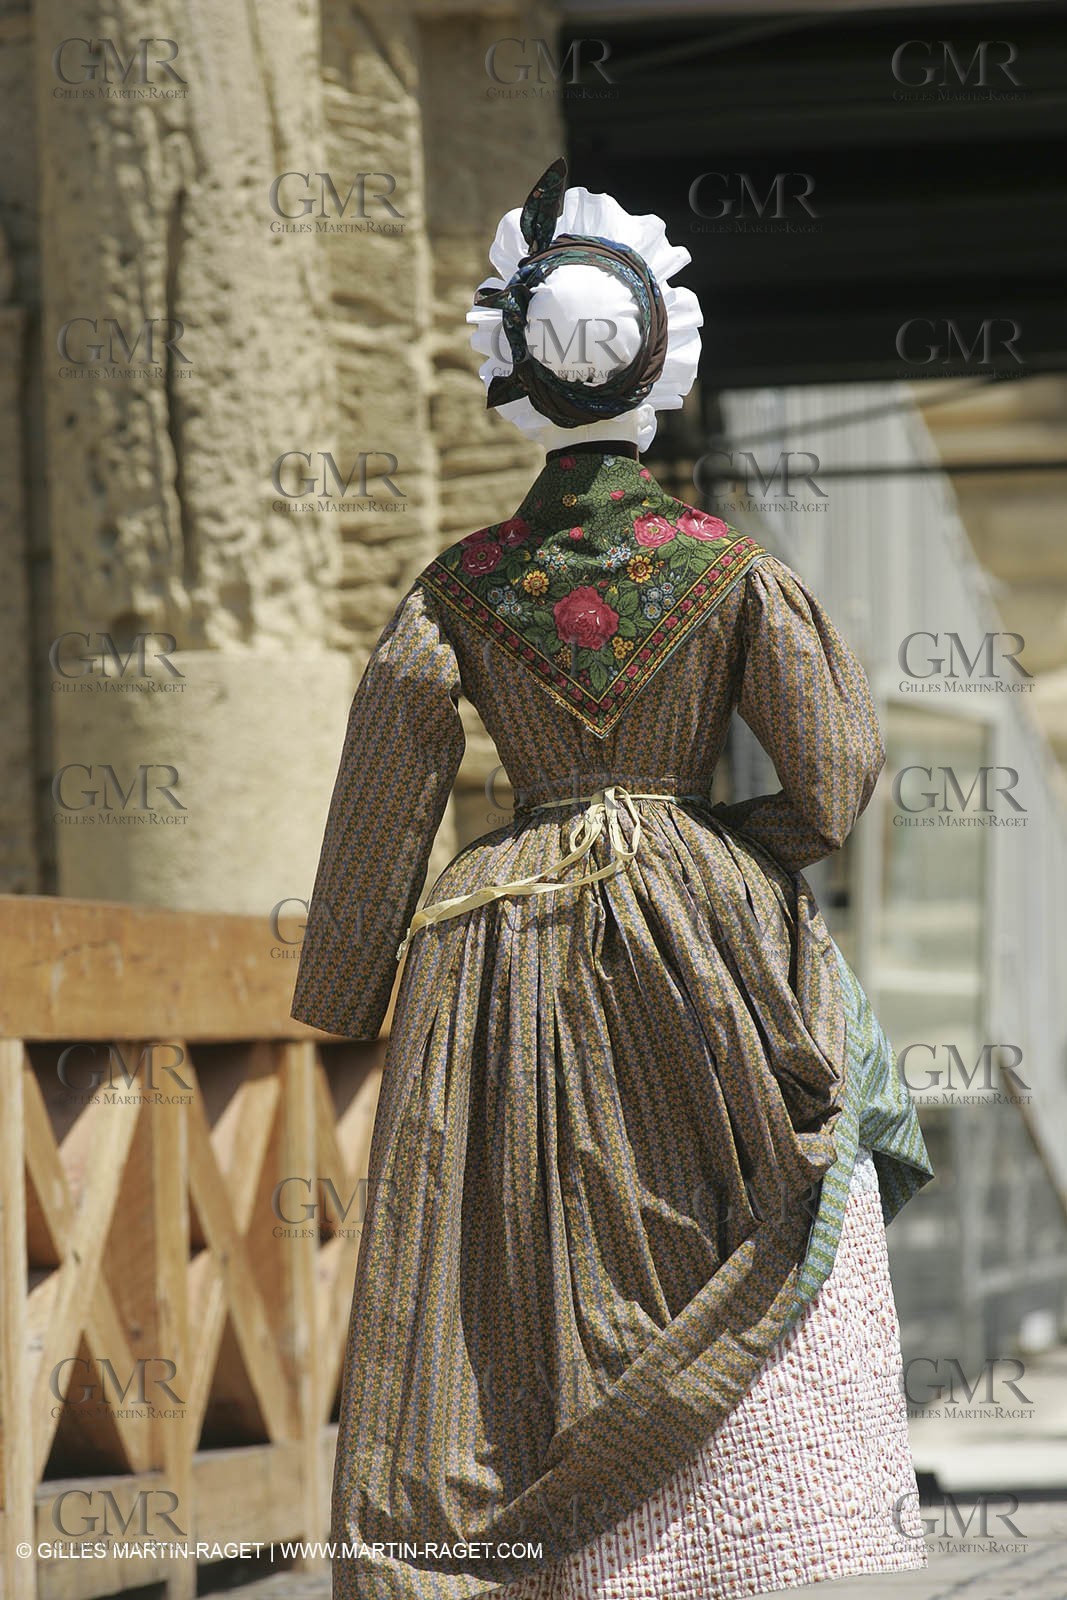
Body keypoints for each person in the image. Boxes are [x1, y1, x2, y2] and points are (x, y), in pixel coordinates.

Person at [291, 158, 934, 1600]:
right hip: (696, 935)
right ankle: (715, 1539)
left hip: (495, 940)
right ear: (662, 376)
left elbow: (384, 802)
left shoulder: (452, 590)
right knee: (718, 1205)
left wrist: (345, 982)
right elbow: (836, 775)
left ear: (508, 374)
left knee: (503, 1244)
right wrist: (730, 854)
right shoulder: (731, 572)